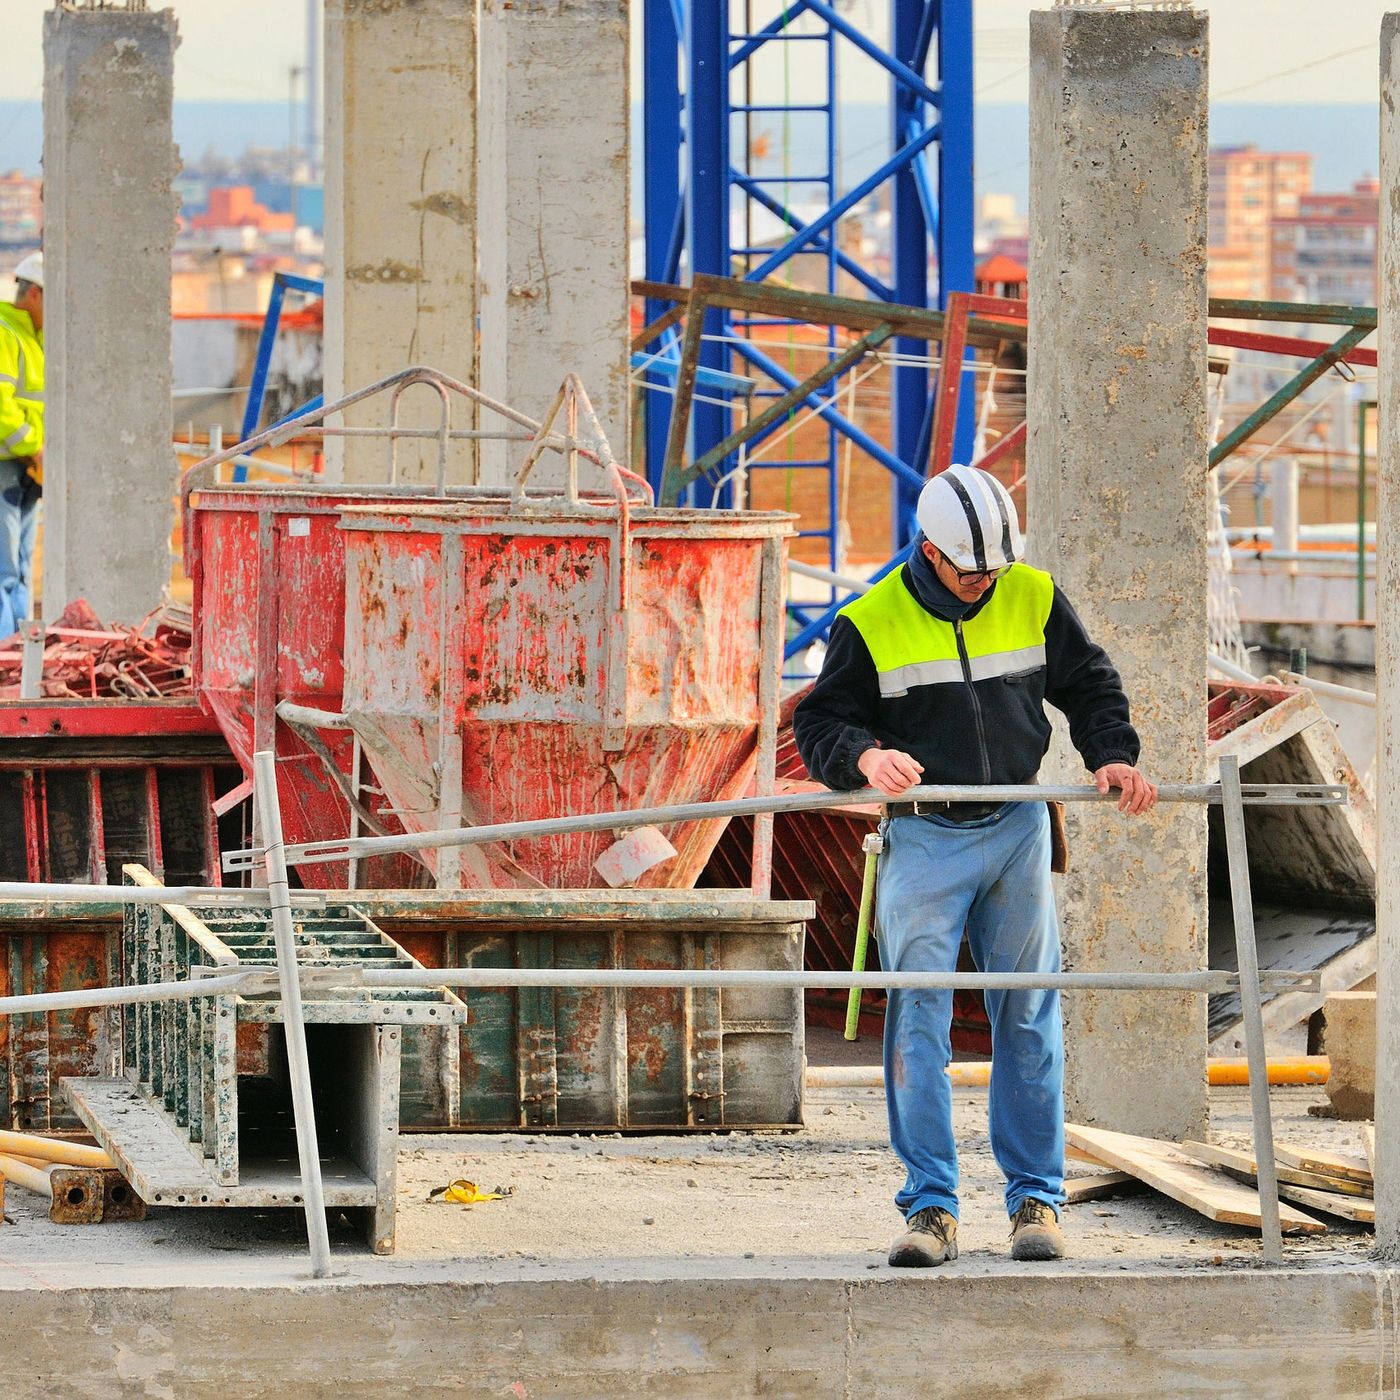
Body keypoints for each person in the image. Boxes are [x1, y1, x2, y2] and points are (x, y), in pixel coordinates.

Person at [793, 464, 1157, 1267]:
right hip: (923, 837)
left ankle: (1036, 1200)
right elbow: (819, 723)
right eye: (969, 572)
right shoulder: (871, 622)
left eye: (994, 569)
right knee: (916, 1023)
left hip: (1018, 824)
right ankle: (930, 1209)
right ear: (929, 551)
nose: (985, 585)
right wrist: (865, 756)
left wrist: (1112, 755)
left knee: (1027, 1015)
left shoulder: (1030, 592)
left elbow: (1090, 683)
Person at [0, 250, 44, 640]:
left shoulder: (35, 339)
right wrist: (35, 446)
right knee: (4, 571)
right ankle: (5, 655)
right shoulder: (5, 333)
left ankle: (19, 653)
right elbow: (2, 408)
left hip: (25, 469)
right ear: (35, 295)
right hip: (6, 468)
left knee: (23, 566)